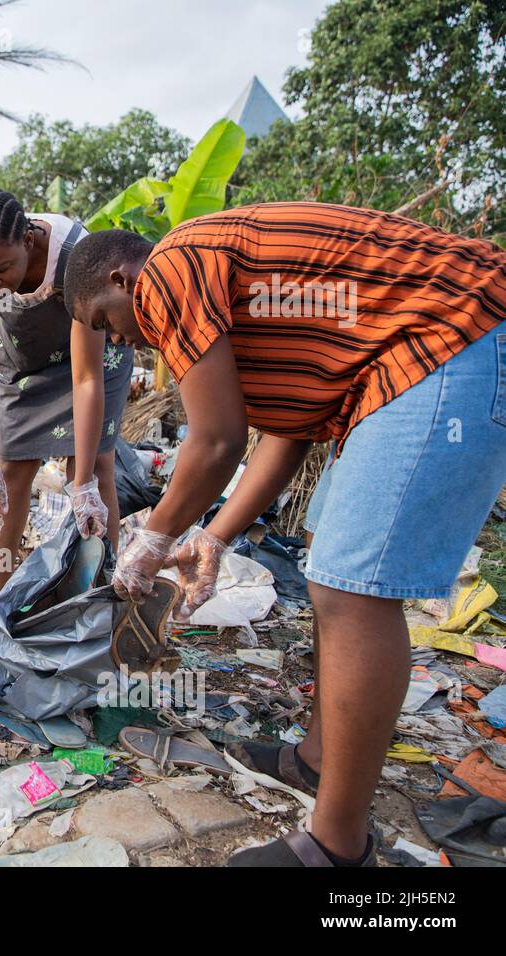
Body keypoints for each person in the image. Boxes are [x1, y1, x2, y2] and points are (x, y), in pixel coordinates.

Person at [63, 201, 506, 866]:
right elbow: (287, 432)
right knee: (334, 570)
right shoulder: (238, 308)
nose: (118, 342)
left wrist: (150, 542)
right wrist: (213, 538)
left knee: (351, 590)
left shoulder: (171, 270)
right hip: (427, 352)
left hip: (456, 335)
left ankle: (334, 847)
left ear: (125, 282)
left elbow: (216, 443)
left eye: (105, 322)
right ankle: (316, 762)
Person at [0, 189, 133, 631]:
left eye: (1, 269)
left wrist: (84, 481)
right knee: (10, 472)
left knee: (93, 470)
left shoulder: (74, 255)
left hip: (91, 360)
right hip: (24, 363)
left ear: (29, 241)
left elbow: (86, 378)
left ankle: (97, 595)